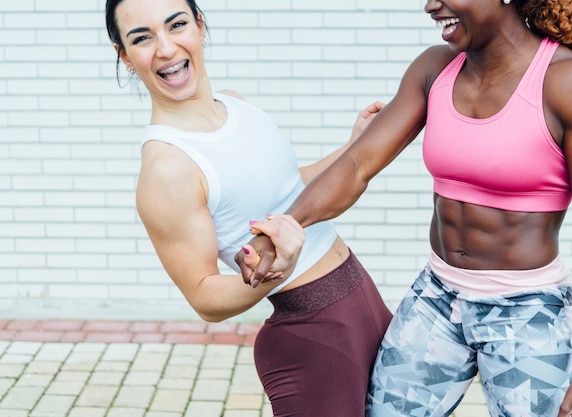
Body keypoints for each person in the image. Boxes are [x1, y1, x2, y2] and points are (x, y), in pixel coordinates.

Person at [237, 0, 572, 416]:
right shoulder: (435, 68)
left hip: (528, 311)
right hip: (437, 297)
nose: (430, 5)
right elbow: (357, 164)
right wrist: (284, 227)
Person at [104, 0, 393, 416]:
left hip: (359, 299)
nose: (165, 48)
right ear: (125, 56)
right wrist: (276, 270)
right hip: (314, 338)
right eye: (142, 38)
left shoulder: (236, 104)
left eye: (177, 25)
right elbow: (203, 295)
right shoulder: (168, 168)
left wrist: (352, 147)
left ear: (199, 27)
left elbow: (289, 192)